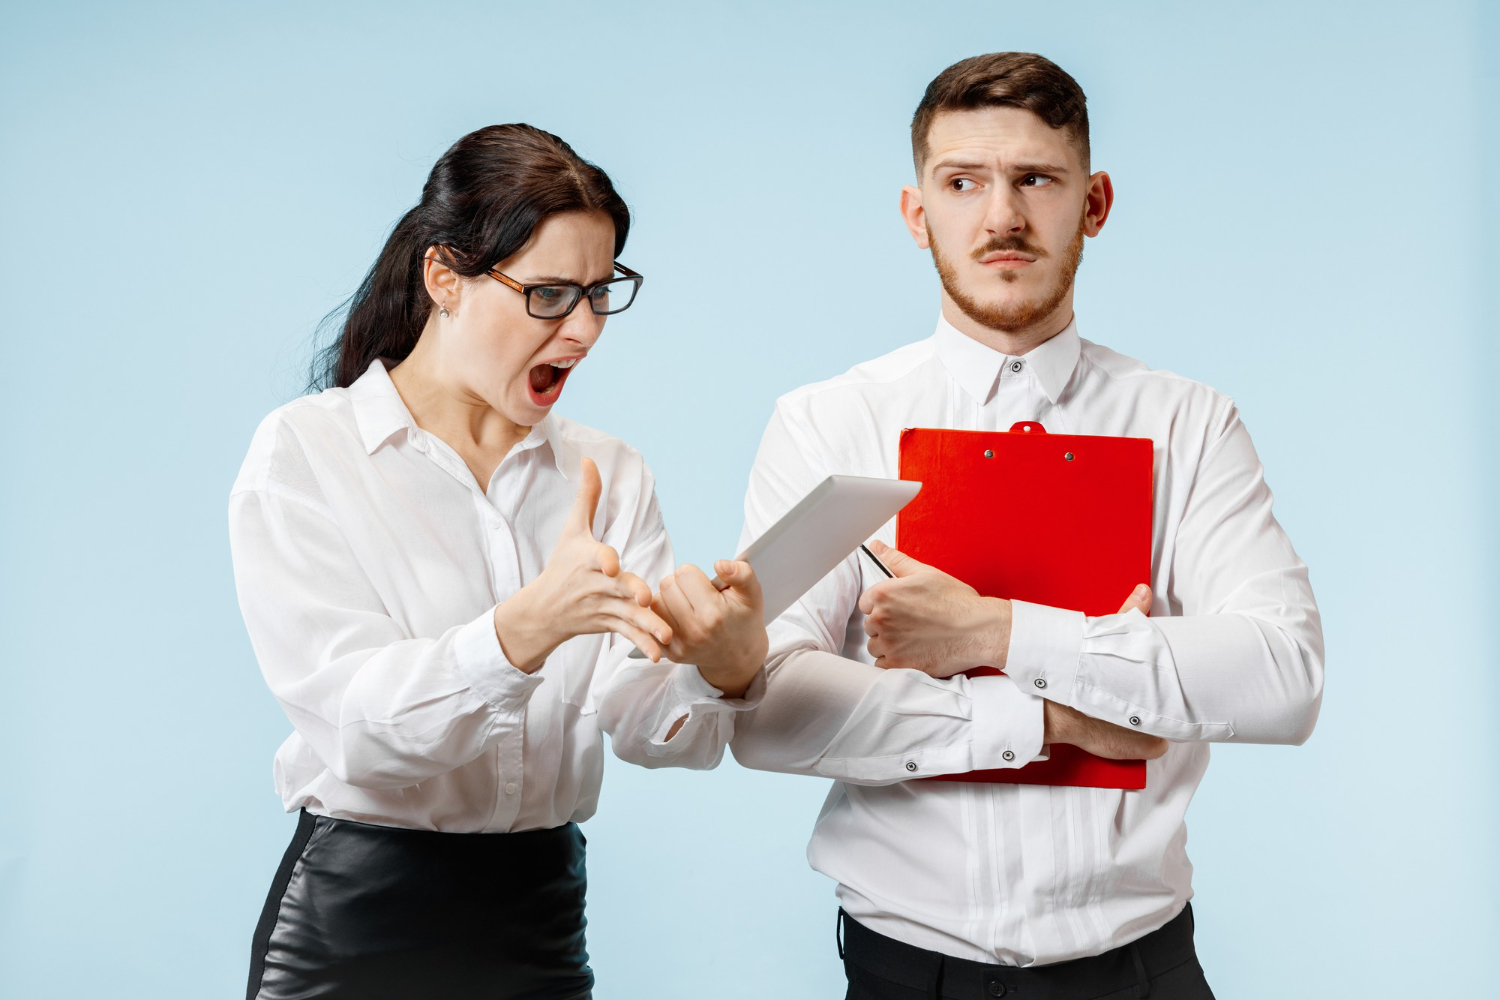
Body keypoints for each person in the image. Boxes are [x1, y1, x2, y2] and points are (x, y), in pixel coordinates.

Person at [711, 53, 1324, 999]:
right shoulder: (828, 423)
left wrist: (996, 633)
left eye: (1036, 179)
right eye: (965, 183)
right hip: (904, 971)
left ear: (1095, 203)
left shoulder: (1188, 423)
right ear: (919, 215)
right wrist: (1062, 716)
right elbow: (768, 709)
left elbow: (1283, 678)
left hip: (1142, 969)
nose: (1002, 216)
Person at [228, 123, 766, 1000]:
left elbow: (640, 720)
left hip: (539, 926)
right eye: (550, 294)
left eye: (601, 292)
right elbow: (357, 730)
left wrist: (723, 671)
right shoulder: (306, 453)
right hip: (357, 929)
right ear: (445, 278)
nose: (585, 329)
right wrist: (524, 630)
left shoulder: (608, 471)